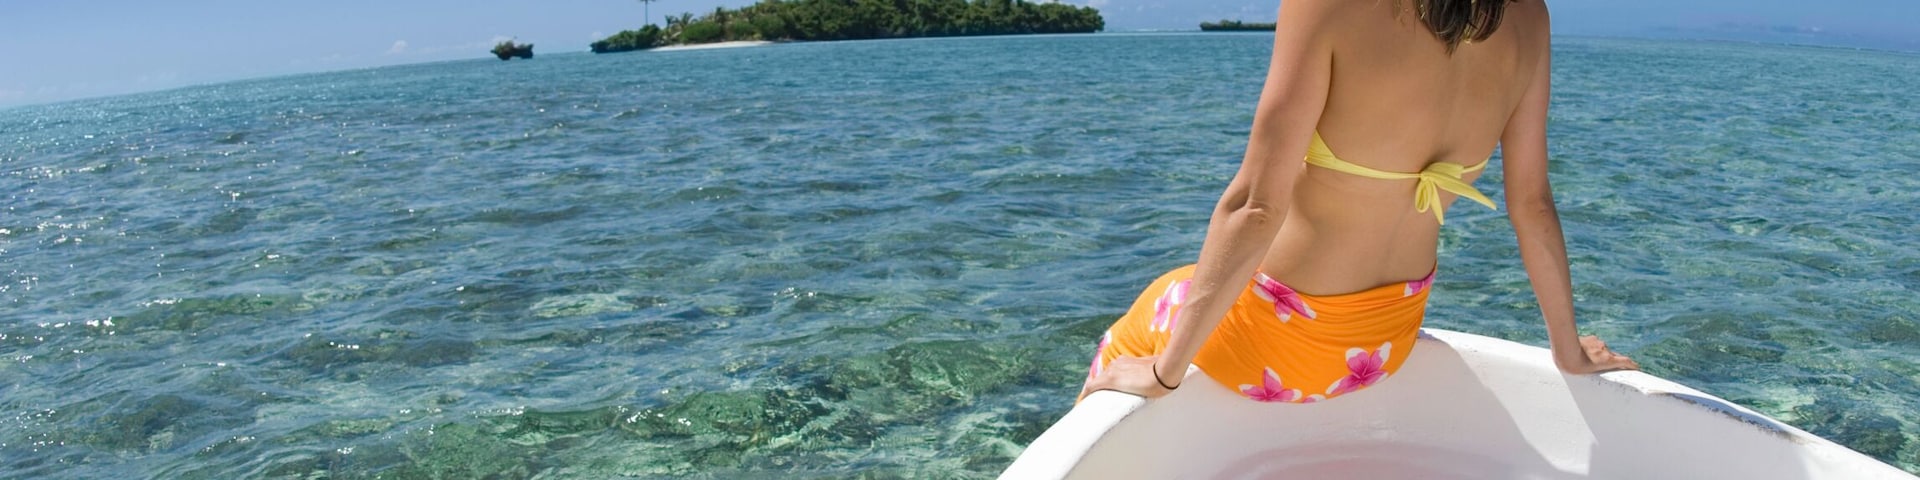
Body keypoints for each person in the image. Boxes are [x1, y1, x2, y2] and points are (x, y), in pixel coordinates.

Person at [1080, 0, 1640, 403]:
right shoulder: (1528, 17)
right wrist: (1568, 350)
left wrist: (1164, 373)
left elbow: (1255, 205)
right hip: (1383, 344)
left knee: (1134, 329)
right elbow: (1533, 204)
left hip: (1278, 346)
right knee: (1190, 278)